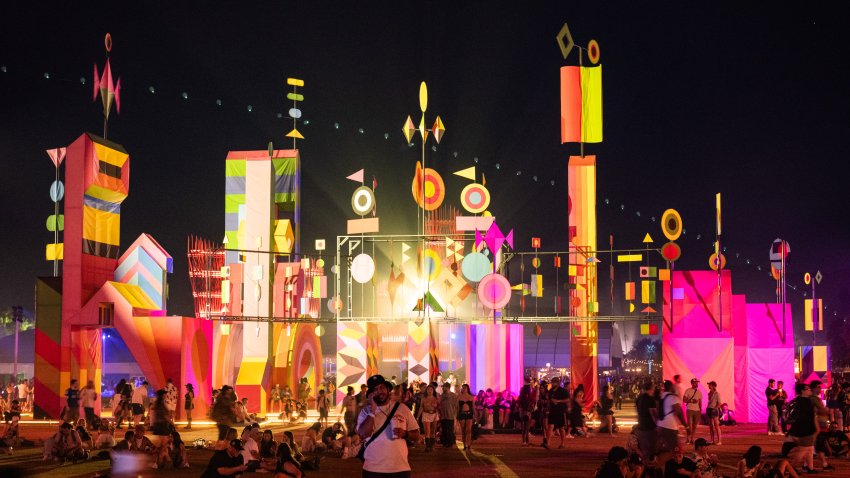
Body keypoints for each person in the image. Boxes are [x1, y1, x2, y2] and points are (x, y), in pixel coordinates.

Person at [356, 374, 420, 478]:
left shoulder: (402, 408)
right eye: (375, 389)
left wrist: (405, 434)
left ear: (388, 389)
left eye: (382, 387)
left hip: (400, 469)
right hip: (373, 469)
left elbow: (417, 436)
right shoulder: (365, 412)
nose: (380, 391)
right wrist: (372, 410)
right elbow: (363, 434)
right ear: (371, 394)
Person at [787, 382, 817, 473]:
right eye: (807, 389)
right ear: (802, 391)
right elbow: (807, 417)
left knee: (809, 448)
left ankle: (810, 468)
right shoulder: (804, 401)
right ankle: (791, 468)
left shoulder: (799, 400)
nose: (809, 390)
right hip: (804, 429)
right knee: (803, 449)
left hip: (803, 428)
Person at [810, 380, 835, 471]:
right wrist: (827, 410)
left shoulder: (814, 398)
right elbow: (822, 410)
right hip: (818, 426)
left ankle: (807, 465)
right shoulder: (814, 399)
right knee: (818, 447)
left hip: (820, 425)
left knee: (811, 448)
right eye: (818, 387)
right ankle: (824, 464)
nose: (820, 389)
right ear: (813, 388)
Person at [657, 380, 685, 458]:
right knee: (674, 449)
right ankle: (667, 464)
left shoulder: (661, 396)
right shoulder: (673, 397)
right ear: (671, 387)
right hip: (670, 426)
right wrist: (686, 426)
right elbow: (679, 412)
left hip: (660, 424)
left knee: (661, 447)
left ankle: (659, 463)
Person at [735, 445, 800, 478]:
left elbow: (756, 476)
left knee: (783, 462)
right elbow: (741, 476)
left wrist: (761, 467)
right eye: (760, 454)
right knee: (783, 463)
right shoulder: (743, 462)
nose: (760, 455)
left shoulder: (756, 462)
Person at [634, 381, 658, 459]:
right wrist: (658, 424)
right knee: (651, 450)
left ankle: (642, 467)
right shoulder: (651, 399)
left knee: (643, 449)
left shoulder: (639, 398)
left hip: (641, 425)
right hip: (649, 427)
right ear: (651, 388)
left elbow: (637, 411)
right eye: (654, 387)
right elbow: (653, 413)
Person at [547, 376, 570, 449]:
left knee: (561, 428)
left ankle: (562, 443)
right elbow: (549, 399)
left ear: (557, 383)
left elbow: (568, 399)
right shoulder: (551, 390)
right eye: (552, 382)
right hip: (552, 411)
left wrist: (558, 401)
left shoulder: (562, 391)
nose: (552, 384)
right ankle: (548, 443)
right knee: (550, 427)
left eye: (553, 382)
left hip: (560, 411)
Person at [517, 376, 537, 445]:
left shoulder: (525, 389)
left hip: (525, 409)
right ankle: (525, 441)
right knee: (526, 426)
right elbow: (528, 400)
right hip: (526, 409)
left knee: (525, 426)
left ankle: (525, 441)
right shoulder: (527, 389)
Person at [418, 384, 439, 452]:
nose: (430, 391)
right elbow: (421, 407)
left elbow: (439, 407)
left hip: (434, 414)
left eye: (431, 389)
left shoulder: (436, 398)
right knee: (427, 431)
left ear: (433, 390)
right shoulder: (424, 398)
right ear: (426, 391)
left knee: (433, 431)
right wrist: (418, 416)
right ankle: (427, 446)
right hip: (426, 414)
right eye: (428, 389)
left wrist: (435, 406)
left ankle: (432, 446)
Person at [437, 381, 458, 448]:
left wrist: (455, 416)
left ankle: (450, 443)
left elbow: (456, 406)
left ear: (448, 388)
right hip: (443, 416)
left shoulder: (453, 395)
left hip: (451, 416)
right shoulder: (441, 396)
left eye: (444, 387)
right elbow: (439, 405)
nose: (443, 388)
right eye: (443, 387)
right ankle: (445, 442)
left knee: (450, 429)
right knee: (444, 429)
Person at [683, 378, 702, 444]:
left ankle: (692, 439)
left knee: (695, 426)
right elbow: (684, 400)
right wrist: (691, 401)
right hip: (690, 409)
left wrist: (700, 411)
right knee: (689, 425)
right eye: (695, 382)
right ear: (692, 383)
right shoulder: (688, 390)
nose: (696, 384)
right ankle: (688, 438)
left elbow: (700, 402)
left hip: (697, 411)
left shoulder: (699, 392)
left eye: (697, 382)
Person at [457, 383, 475, 451]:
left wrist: (475, 416)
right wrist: (457, 415)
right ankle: (465, 445)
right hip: (461, 414)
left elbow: (473, 407)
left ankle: (469, 444)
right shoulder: (459, 397)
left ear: (467, 389)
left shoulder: (471, 397)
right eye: (462, 387)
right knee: (463, 431)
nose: (463, 389)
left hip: (469, 414)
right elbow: (457, 407)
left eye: (465, 388)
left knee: (469, 430)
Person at [706, 381, 722, 445]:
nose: (708, 386)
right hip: (709, 409)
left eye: (709, 385)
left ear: (713, 386)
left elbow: (719, 403)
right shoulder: (709, 393)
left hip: (714, 410)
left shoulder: (717, 394)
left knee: (716, 425)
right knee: (711, 426)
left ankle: (719, 441)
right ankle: (712, 440)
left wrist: (715, 408)